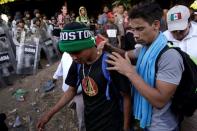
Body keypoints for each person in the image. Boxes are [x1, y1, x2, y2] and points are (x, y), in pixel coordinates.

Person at [36, 22, 131, 131]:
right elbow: (71, 90)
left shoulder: (110, 62)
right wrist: (49, 114)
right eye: (69, 53)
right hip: (90, 122)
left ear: (88, 44)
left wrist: (126, 127)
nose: (73, 57)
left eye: (76, 52)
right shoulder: (77, 64)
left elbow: (126, 96)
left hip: (112, 124)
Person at [106, 2, 184, 130]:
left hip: (161, 126)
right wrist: (108, 48)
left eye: (140, 29)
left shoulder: (170, 56)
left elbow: (159, 101)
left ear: (156, 25)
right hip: (143, 121)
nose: (135, 35)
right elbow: (126, 53)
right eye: (133, 29)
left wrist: (130, 72)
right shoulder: (145, 48)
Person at [163, 5, 197, 131]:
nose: (177, 33)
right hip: (171, 98)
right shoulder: (163, 38)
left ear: (189, 22)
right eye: (174, 30)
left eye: (181, 30)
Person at [52, 52, 86, 131]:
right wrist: (55, 76)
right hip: (71, 89)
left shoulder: (80, 56)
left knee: (82, 115)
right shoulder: (66, 54)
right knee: (82, 116)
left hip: (76, 90)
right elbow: (61, 65)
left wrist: (55, 76)